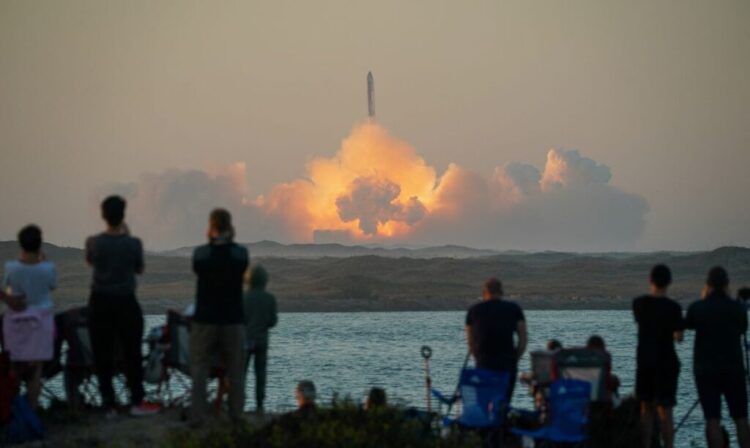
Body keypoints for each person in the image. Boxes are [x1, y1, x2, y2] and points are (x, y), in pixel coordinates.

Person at [86, 196, 158, 417]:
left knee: (102, 353)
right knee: (132, 352)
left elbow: (91, 261)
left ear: (103, 215)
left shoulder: (93, 242)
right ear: (123, 215)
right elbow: (139, 268)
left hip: (100, 301)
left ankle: (108, 403)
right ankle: (136, 400)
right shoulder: (133, 243)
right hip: (126, 301)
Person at [190, 209, 249, 424]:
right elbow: (241, 265)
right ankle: (236, 415)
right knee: (235, 369)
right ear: (230, 226)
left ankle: (197, 416)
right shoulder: (240, 254)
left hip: (205, 318)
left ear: (211, 226)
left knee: (199, 368)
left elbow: (198, 268)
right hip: (232, 319)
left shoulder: (200, 254)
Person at [686, 267, 750, 448]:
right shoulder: (738, 309)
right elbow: (743, 329)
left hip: (706, 371)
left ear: (708, 285)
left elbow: (687, 325)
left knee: (712, 419)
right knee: (741, 418)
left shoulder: (698, 308)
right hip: (734, 370)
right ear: (727, 285)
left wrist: (705, 298)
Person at [1, 225, 56, 409]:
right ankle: (32, 412)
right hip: (40, 323)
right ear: (39, 244)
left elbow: (7, 289)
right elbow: (51, 286)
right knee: (35, 372)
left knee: (14, 369)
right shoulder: (48, 268)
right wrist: (42, 260)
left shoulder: (11, 268)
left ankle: (13, 412)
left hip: (15, 323)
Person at [632, 264, 685, 448]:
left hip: (645, 362)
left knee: (646, 410)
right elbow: (679, 337)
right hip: (667, 363)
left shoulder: (639, 304)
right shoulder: (674, 308)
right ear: (669, 282)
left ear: (650, 280)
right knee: (666, 412)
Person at [465, 277, 527, 401]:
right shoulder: (513, 309)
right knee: (504, 402)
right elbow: (523, 339)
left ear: (484, 292)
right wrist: (515, 358)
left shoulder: (474, 311)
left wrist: (478, 358)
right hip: (507, 363)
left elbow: (470, 341)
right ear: (501, 292)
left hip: (484, 363)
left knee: (485, 403)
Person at [243, 265, 278, 413]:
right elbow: (272, 321)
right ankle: (259, 404)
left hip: (245, 341)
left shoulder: (242, 298)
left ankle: (239, 402)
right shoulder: (270, 298)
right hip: (262, 340)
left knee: (241, 373)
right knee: (260, 372)